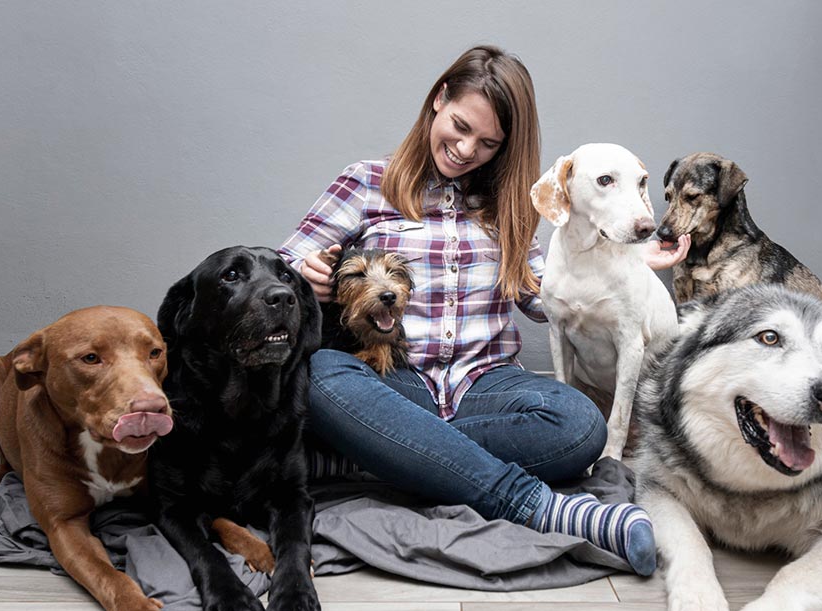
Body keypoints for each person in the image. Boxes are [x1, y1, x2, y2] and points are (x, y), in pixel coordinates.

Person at [279, 45, 688, 576]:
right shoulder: (365, 182)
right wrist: (308, 273)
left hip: (487, 387)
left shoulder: (511, 206)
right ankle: (542, 506)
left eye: (488, 143)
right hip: (392, 380)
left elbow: (545, 301)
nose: (467, 149)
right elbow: (283, 266)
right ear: (438, 99)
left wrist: (622, 264)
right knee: (319, 374)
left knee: (580, 424)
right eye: (460, 126)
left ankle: (373, 454)